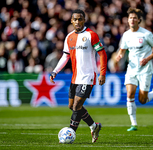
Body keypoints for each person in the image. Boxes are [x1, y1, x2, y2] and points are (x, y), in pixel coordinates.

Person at [49, 9, 107, 143]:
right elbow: (65, 56)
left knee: (76, 106)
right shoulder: (69, 37)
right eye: (75, 19)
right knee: (72, 106)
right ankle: (94, 126)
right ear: (71, 21)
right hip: (75, 77)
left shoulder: (91, 35)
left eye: (80, 19)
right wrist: (55, 71)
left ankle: (69, 134)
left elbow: (102, 54)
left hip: (88, 77)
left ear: (84, 20)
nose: (77, 22)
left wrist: (102, 73)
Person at [116, 7, 153, 131]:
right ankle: (134, 124)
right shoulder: (126, 35)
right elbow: (123, 48)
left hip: (145, 70)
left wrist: (148, 58)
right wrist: (120, 55)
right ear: (128, 20)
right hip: (131, 69)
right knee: (130, 94)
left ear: (139, 20)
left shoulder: (146, 34)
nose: (132, 20)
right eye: (130, 18)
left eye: (134, 18)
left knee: (142, 100)